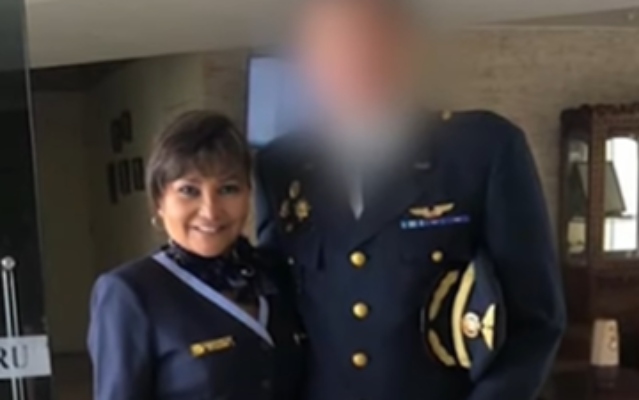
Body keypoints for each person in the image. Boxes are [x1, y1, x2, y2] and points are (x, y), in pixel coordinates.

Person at [254, 1, 566, 400]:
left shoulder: (481, 150)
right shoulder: (281, 166)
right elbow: (276, 314)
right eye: (331, 44)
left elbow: (536, 321)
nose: (350, 57)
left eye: (365, 37)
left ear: (402, 45)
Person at [87, 111, 306, 400]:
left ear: (248, 195)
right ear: (159, 201)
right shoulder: (131, 292)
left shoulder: (272, 273)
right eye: (189, 190)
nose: (210, 211)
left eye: (228, 189)